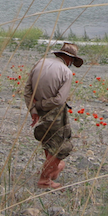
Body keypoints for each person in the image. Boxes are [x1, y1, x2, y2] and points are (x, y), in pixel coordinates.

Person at [23, 42, 84, 189]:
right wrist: (40, 105)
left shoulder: (40, 63)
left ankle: (52, 170)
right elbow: (59, 100)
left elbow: (27, 90)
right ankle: (45, 179)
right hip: (55, 112)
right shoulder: (66, 72)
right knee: (61, 145)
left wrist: (34, 110)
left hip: (39, 110)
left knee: (47, 141)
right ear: (69, 59)